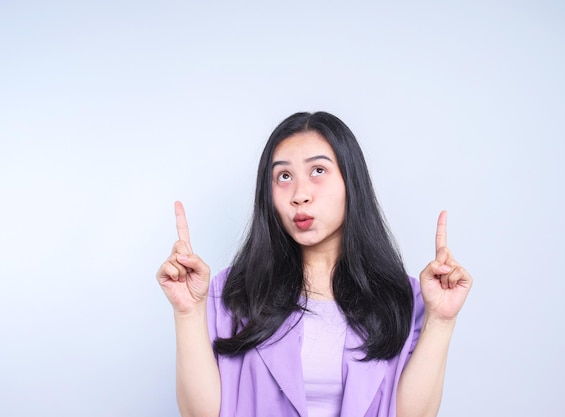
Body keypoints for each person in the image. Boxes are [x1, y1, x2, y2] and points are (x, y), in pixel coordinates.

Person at [157, 111, 473, 417]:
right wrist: (187, 313)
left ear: (352, 182)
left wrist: (441, 320)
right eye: (283, 176)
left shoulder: (405, 297)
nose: (300, 194)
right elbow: (200, 414)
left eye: (318, 171)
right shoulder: (232, 293)